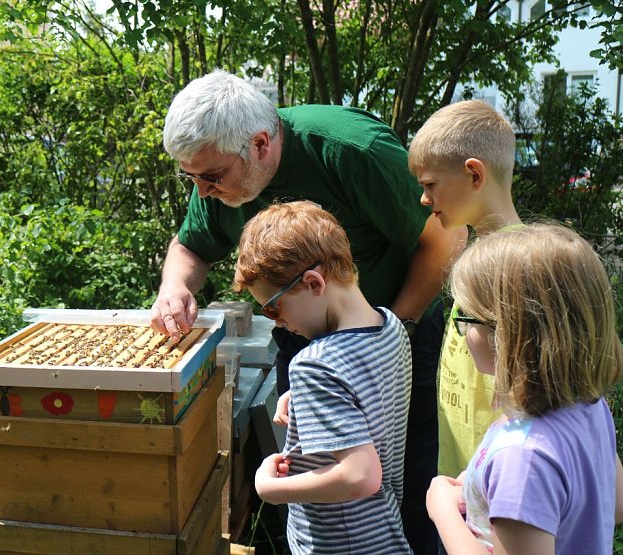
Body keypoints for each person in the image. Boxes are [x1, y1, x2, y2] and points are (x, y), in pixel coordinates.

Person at [150, 69, 465, 554]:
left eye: (211, 177)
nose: (203, 191)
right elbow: (191, 245)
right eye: (191, 177)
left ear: (258, 144)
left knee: (412, 482)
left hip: (396, 331)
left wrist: (389, 332)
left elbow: (446, 234)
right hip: (329, 343)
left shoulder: (352, 150)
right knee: (315, 467)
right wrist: (174, 286)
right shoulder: (215, 170)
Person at [426, 224, 623, 554]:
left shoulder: (521, 456)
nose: (462, 329)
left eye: (466, 315)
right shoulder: (590, 405)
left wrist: (443, 510)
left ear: (507, 333)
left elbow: (527, 477)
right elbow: (617, 507)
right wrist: (486, 489)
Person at [234, 200, 412, 554]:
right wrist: (305, 401)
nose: (276, 321)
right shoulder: (390, 326)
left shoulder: (315, 365)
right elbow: (367, 398)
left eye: (273, 306)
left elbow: (360, 476)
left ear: (314, 283)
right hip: (383, 533)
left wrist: (270, 489)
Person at [407, 99, 523, 480]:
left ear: (474, 175)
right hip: (464, 477)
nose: (425, 199)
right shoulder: (483, 256)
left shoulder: (521, 266)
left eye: (430, 185)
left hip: (498, 489)